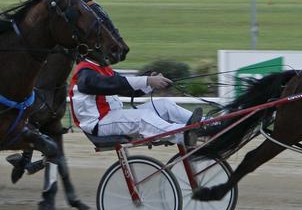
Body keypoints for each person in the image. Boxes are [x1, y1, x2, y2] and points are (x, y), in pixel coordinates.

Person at [69, 58, 202, 146]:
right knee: (142, 117)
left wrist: (152, 82)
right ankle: (183, 133)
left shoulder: (102, 68)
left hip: (113, 116)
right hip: (98, 124)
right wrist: (147, 81)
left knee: (164, 105)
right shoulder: (85, 71)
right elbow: (110, 84)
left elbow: (127, 89)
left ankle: (208, 123)